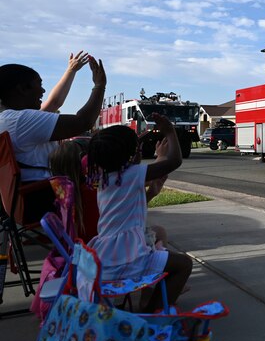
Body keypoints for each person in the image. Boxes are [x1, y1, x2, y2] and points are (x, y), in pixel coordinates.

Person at [86, 113, 191, 313]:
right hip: (126, 257)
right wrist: (169, 131)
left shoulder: (105, 179)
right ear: (132, 155)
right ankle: (153, 310)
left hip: (106, 254)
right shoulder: (132, 174)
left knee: (158, 231)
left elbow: (128, 208)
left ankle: (150, 294)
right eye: (138, 148)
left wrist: (151, 193)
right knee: (184, 264)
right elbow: (175, 161)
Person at [0, 57, 106, 222]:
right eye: (39, 84)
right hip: (44, 198)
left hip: (22, 200)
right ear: (22, 89)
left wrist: (71, 70)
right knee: (111, 184)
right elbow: (83, 121)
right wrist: (100, 86)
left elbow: (54, 103)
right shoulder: (20, 121)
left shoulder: (7, 120)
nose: (43, 91)